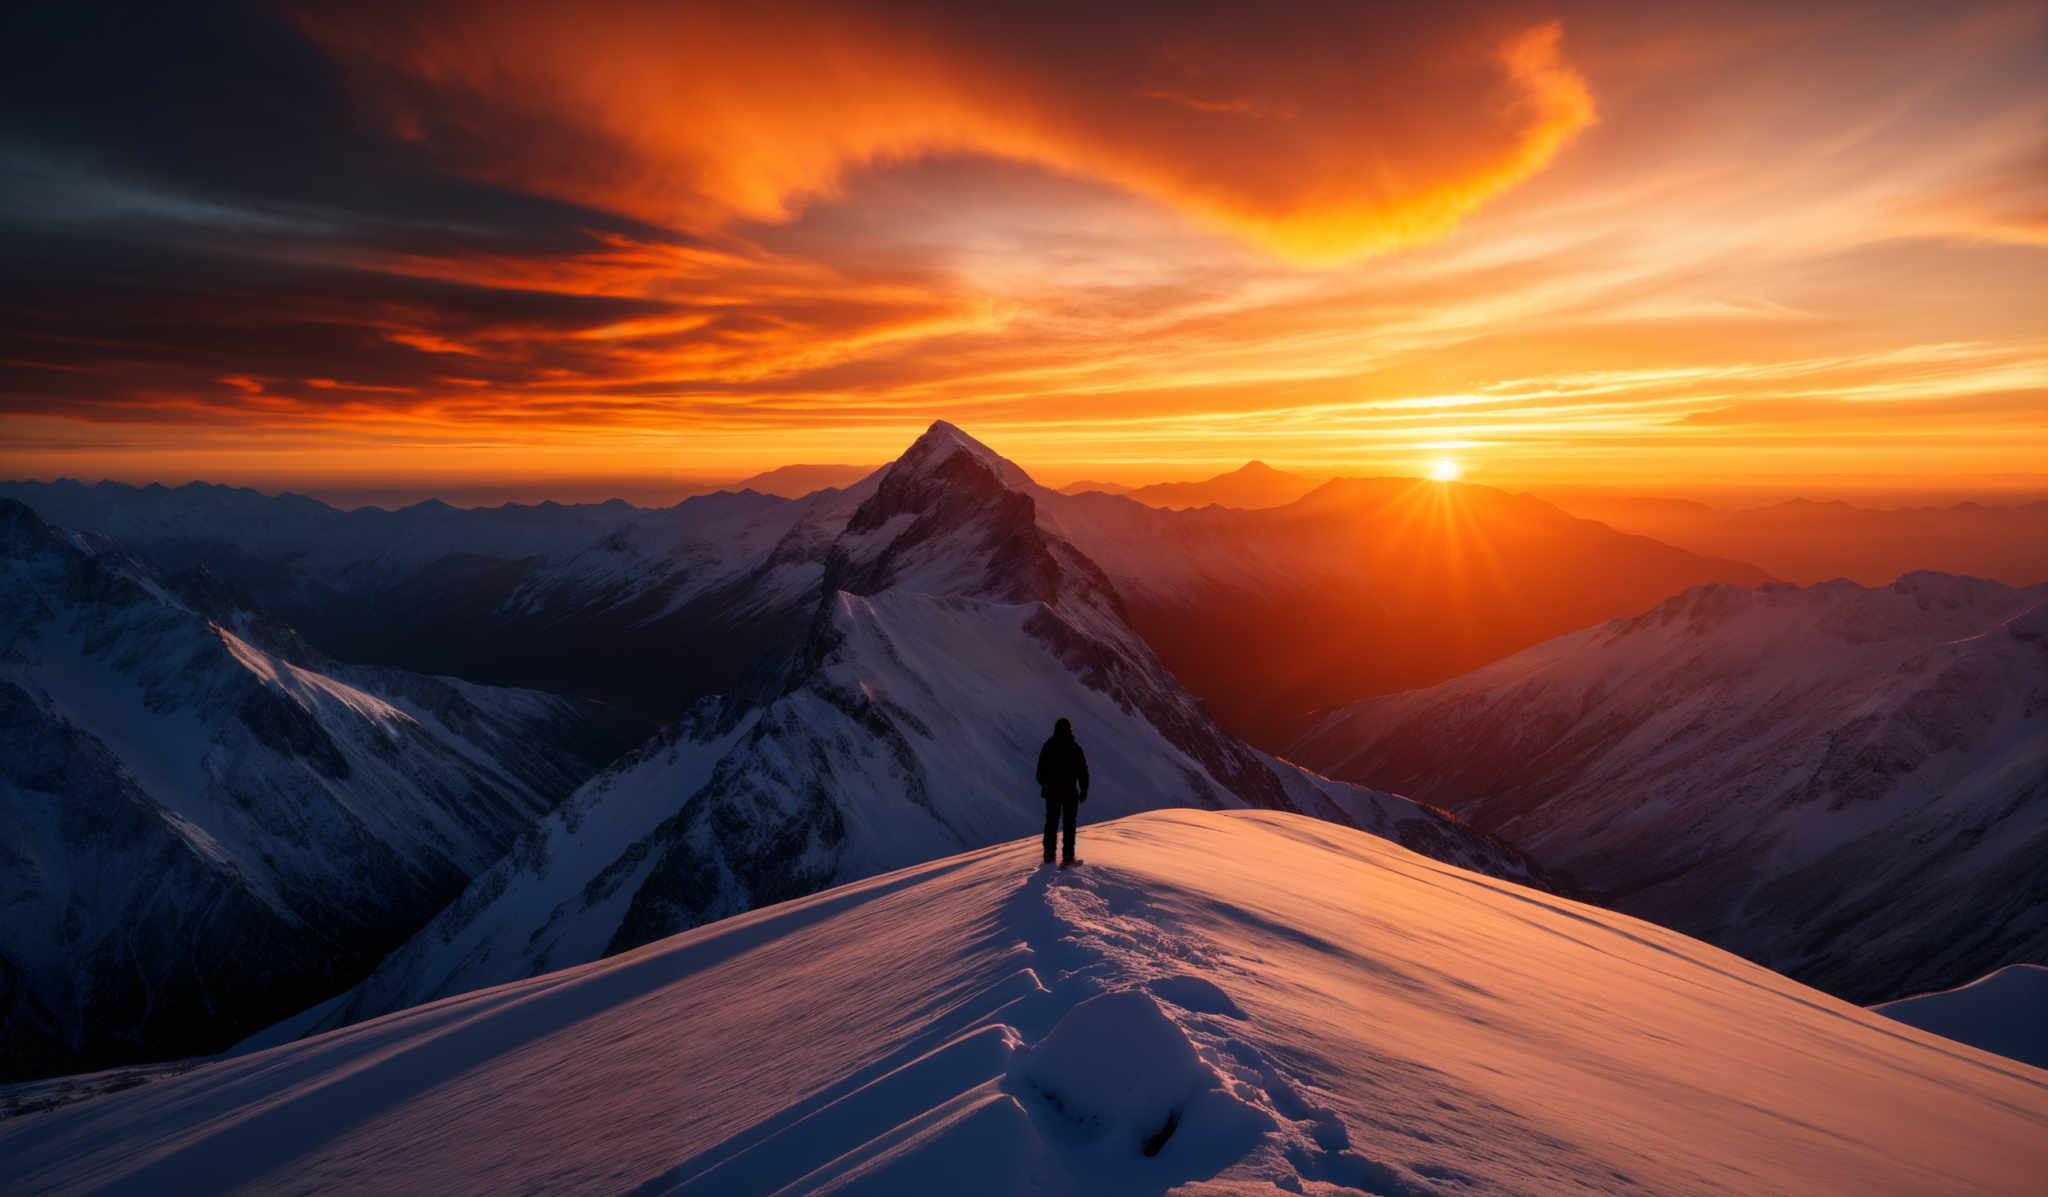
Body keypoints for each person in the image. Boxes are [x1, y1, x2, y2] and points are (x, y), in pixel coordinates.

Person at [1035, 717, 1089, 867]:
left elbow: (1040, 772)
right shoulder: (1075, 747)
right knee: (1069, 824)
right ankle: (1068, 857)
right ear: (1069, 730)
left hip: (1052, 792)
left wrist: (1046, 784)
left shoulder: (1048, 746)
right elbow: (1083, 771)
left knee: (1051, 823)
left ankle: (1049, 855)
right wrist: (1083, 790)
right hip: (1070, 792)